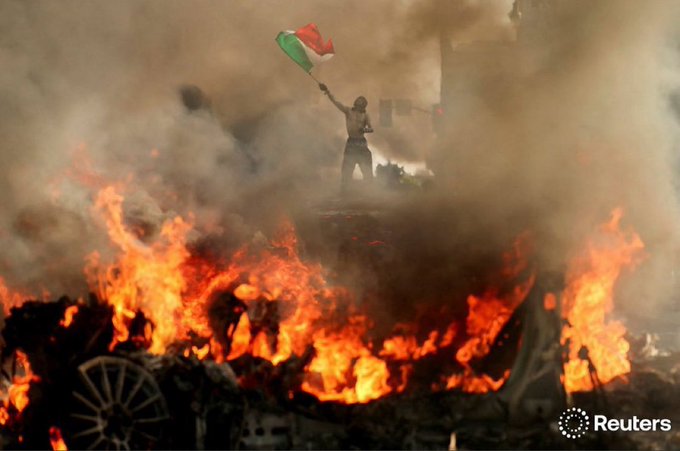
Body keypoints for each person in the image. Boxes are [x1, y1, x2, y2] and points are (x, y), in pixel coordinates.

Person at [319, 83, 374, 190]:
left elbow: (371, 129)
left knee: (366, 167)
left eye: (361, 101)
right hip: (351, 142)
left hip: (361, 143)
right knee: (347, 168)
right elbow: (336, 103)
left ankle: (369, 190)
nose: (359, 102)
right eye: (358, 100)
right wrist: (327, 92)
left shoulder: (365, 115)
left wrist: (363, 130)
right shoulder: (348, 111)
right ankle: (345, 190)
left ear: (364, 105)